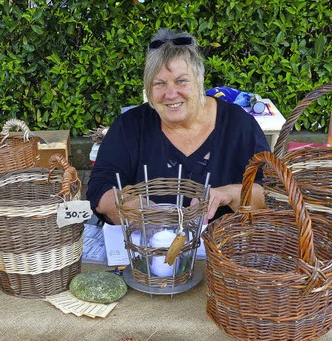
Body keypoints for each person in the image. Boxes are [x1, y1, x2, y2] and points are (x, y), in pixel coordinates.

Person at [86, 28, 270, 225]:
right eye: (159, 83)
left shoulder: (238, 125)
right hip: (147, 249)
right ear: (149, 89)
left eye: (181, 81)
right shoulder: (130, 126)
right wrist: (126, 204)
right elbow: (99, 188)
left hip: (223, 250)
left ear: (200, 81)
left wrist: (230, 194)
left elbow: (270, 192)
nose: (171, 93)